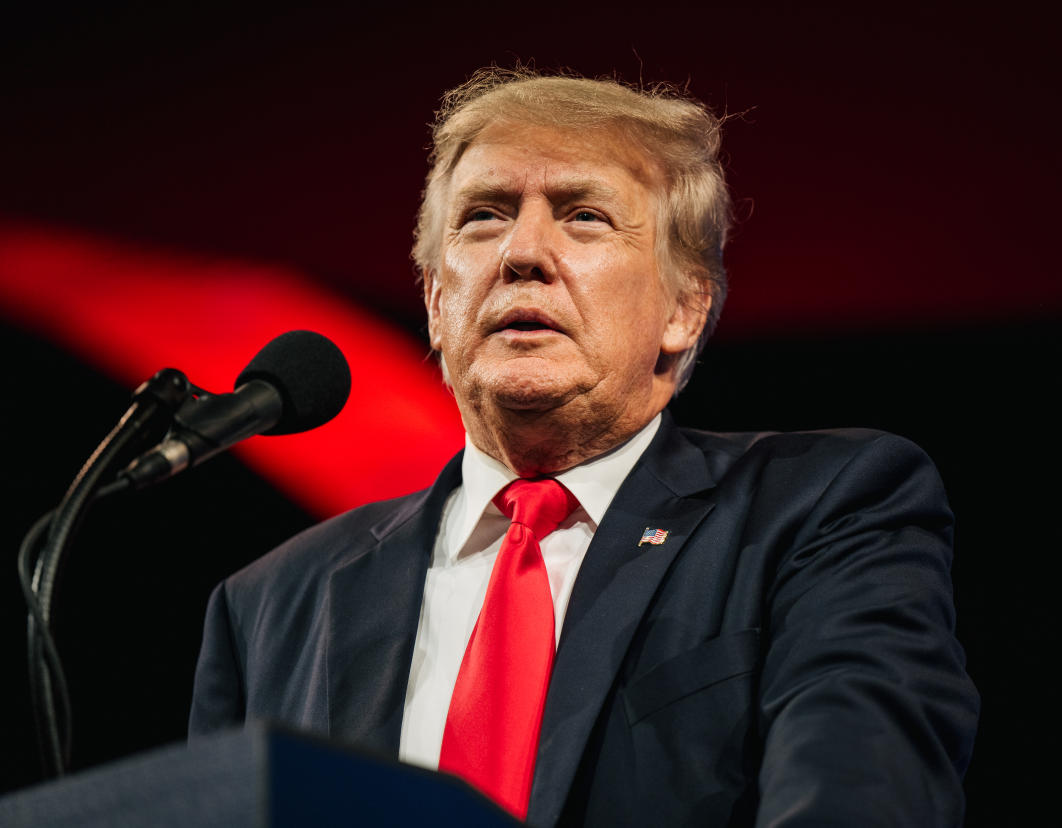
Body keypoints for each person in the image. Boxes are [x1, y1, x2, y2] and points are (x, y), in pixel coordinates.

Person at [189, 66, 979, 827]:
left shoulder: (821, 507)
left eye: (583, 216)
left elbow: (861, 791)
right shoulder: (271, 603)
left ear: (685, 309)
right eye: (485, 216)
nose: (522, 253)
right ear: (435, 302)